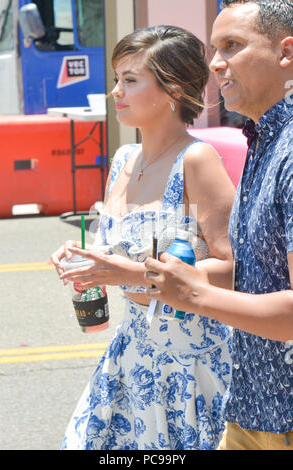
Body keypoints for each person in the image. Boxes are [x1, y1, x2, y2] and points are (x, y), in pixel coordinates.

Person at [51, 25, 235, 450]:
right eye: (117, 78)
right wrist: (81, 255)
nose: (117, 91)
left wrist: (129, 273)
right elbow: (107, 238)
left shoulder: (197, 160)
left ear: (172, 90)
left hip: (188, 364)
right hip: (131, 353)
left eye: (130, 80)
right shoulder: (122, 158)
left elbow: (232, 270)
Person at [145, 1, 293, 451]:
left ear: (287, 53)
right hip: (252, 406)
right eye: (214, 48)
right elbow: (255, 274)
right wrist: (142, 274)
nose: (214, 62)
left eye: (232, 46)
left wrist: (193, 294)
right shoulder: (263, 136)